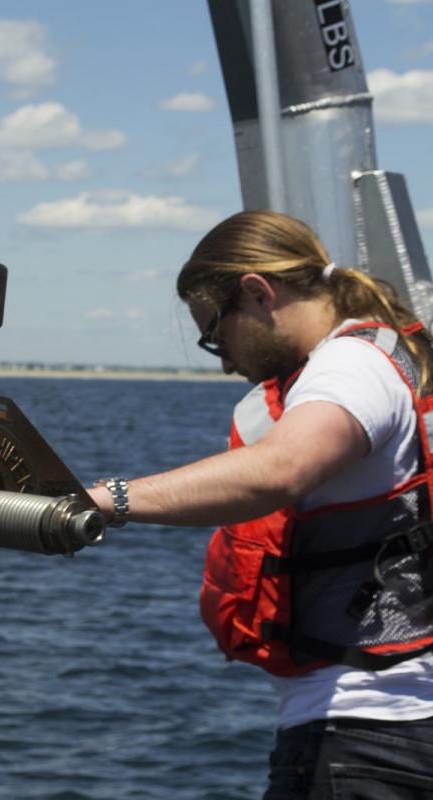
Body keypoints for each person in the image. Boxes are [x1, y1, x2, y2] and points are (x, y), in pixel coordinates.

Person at [87, 209, 433, 798]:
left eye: (216, 334)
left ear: (257, 292)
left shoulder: (351, 366)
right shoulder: (395, 354)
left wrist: (102, 500)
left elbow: (283, 468)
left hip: (364, 740)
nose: (223, 361)